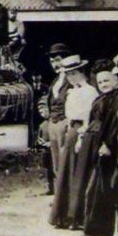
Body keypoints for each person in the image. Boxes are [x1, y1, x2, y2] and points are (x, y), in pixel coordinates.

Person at [70, 59, 118, 232]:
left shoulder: (117, 98)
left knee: (102, 182)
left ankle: (101, 226)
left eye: (107, 80)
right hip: (90, 139)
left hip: (104, 140)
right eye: (100, 82)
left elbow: (115, 123)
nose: (103, 85)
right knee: (86, 180)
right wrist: (81, 138)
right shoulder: (100, 98)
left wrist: (107, 143)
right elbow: (90, 120)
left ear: (116, 81)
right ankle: (83, 219)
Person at [49, 54, 98, 229]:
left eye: (72, 74)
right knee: (66, 171)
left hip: (81, 132)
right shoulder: (73, 91)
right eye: (68, 74)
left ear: (80, 73)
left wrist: (81, 137)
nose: (69, 78)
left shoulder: (90, 92)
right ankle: (63, 215)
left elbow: (88, 117)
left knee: (78, 173)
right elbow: (70, 115)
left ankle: (76, 216)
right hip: (71, 131)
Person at [46, 43, 72, 179]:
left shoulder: (71, 79)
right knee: (56, 160)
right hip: (54, 123)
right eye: (52, 61)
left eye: (57, 60)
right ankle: (59, 196)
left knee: (65, 159)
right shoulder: (56, 81)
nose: (55, 64)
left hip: (64, 122)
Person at [36, 95, 55, 195]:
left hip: (54, 150)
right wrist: (40, 142)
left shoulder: (55, 123)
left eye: (43, 109)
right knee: (48, 170)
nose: (42, 113)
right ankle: (51, 187)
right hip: (46, 152)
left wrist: (50, 143)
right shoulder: (42, 125)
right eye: (40, 111)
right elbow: (39, 138)